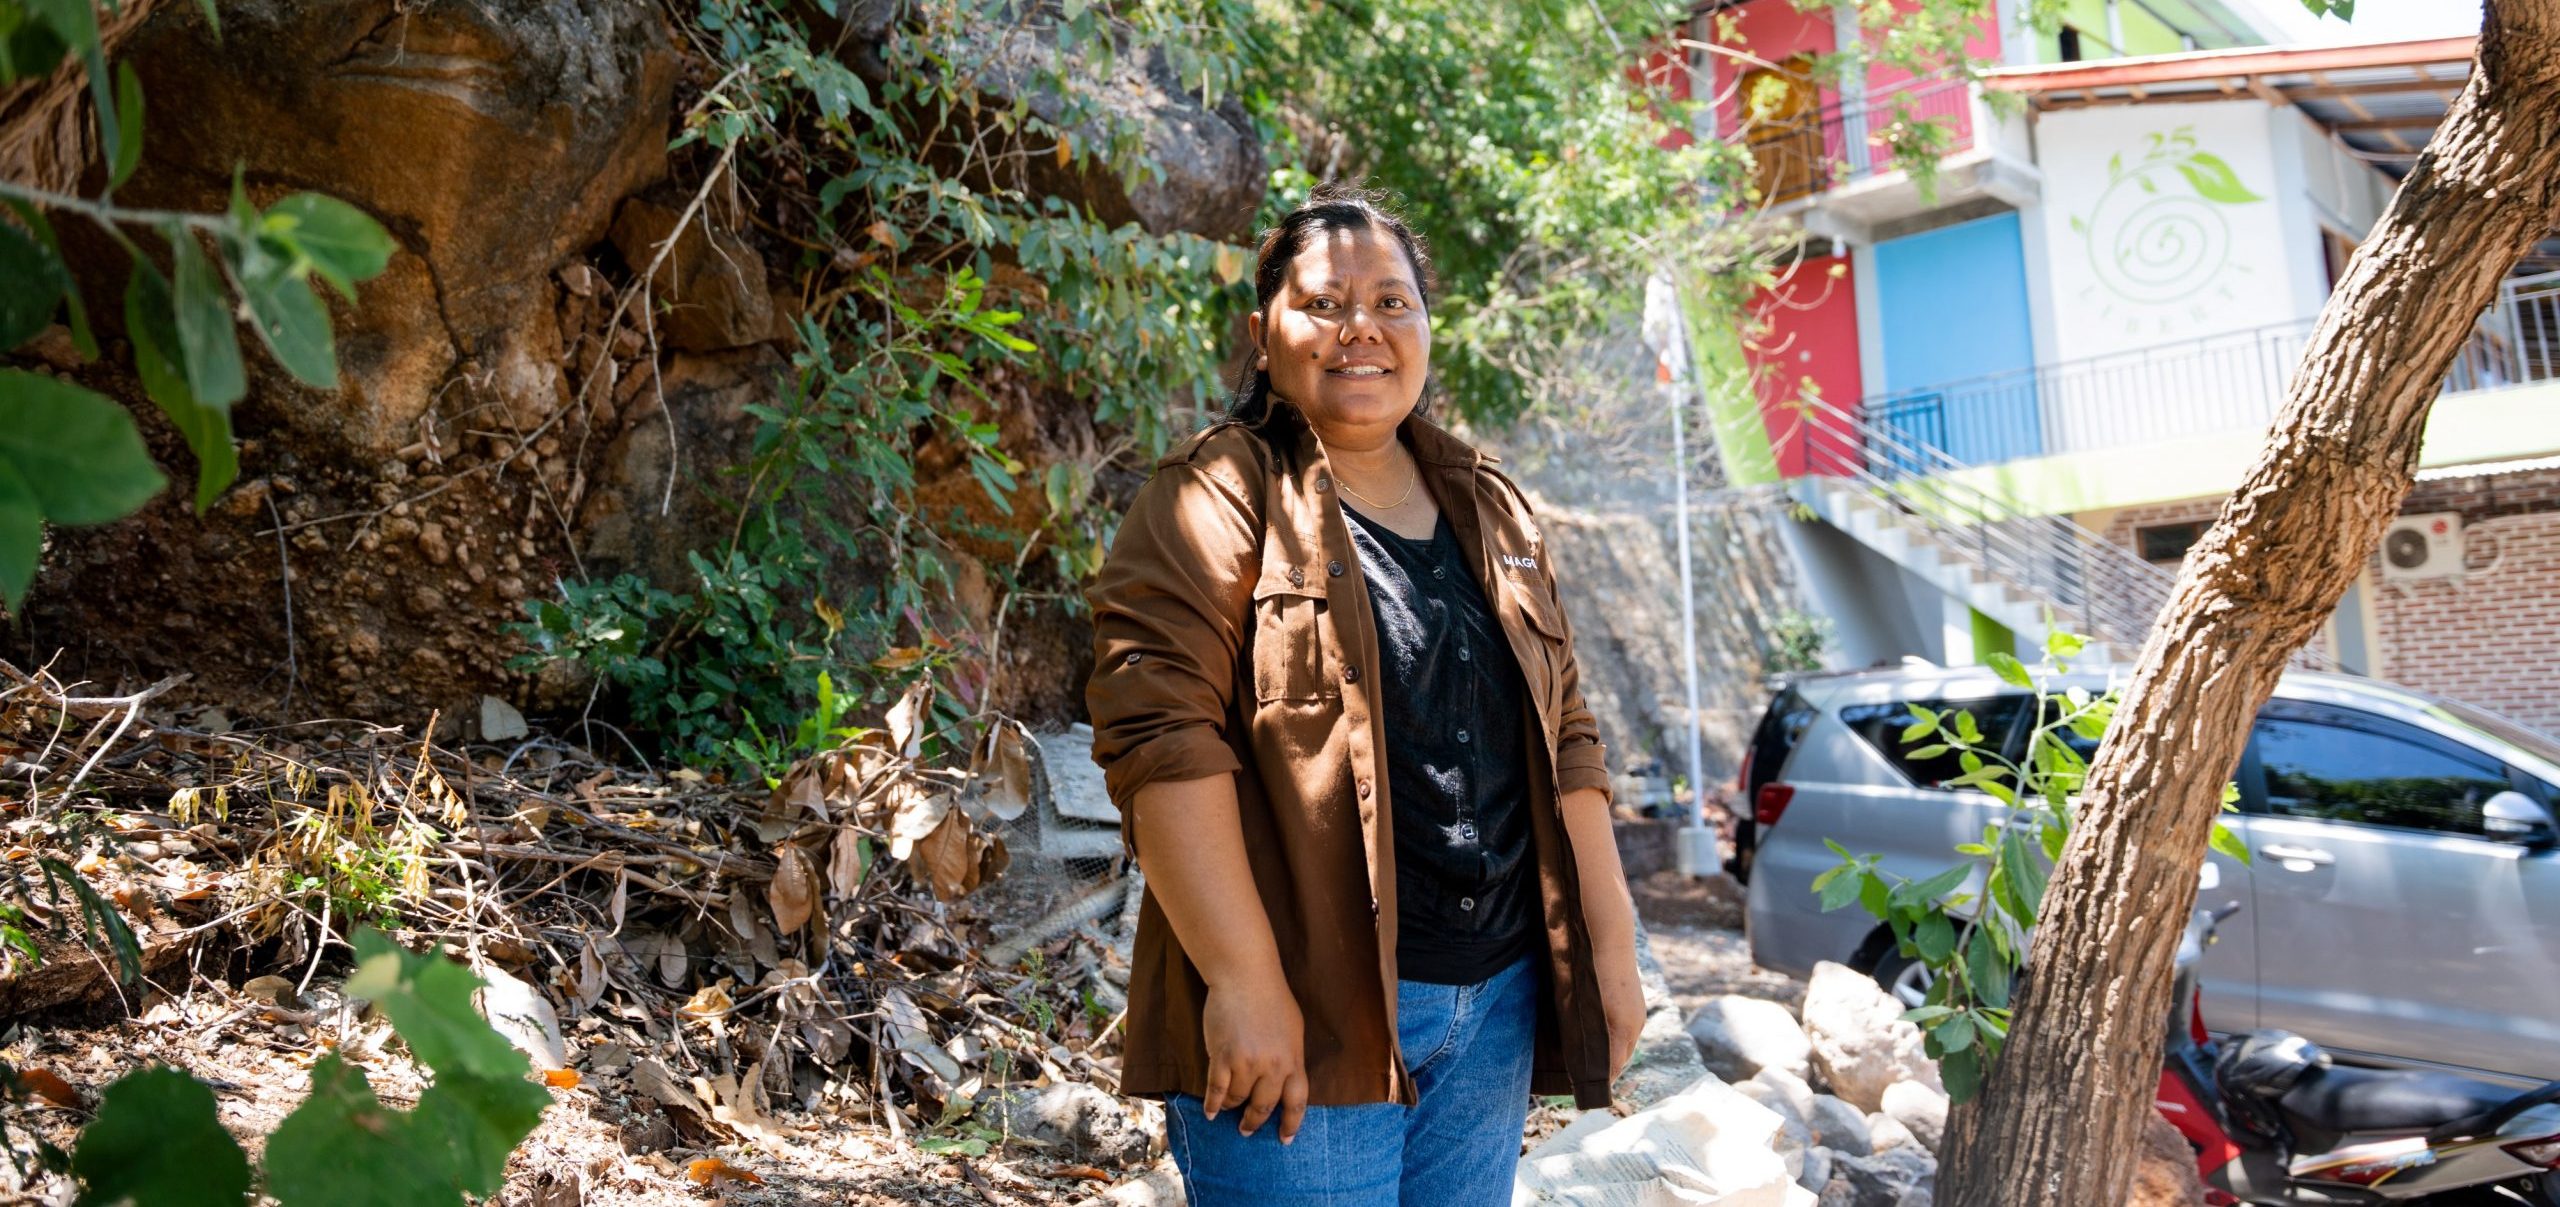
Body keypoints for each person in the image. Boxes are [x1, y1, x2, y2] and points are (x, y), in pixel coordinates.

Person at [1083, 184, 1645, 1206]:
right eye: (1325, 304)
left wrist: (1610, 950)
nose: (1362, 331)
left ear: (1427, 326)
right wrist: (1245, 980)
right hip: (1311, 1005)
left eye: (1392, 302)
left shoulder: (1492, 504)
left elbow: (1567, 732)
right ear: (1263, 336)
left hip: (1497, 1007)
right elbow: (1160, 736)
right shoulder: (1214, 494)